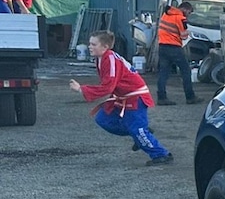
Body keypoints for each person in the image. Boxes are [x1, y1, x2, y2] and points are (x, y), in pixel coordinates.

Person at [69, 30, 172, 164]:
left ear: (105, 47)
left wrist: (81, 89)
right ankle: (139, 134)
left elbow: (107, 87)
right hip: (122, 96)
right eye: (90, 44)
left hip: (135, 96)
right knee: (103, 119)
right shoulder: (101, 58)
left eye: (94, 44)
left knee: (137, 129)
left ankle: (161, 154)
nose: (90, 47)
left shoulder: (110, 59)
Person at [154, 0, 197, 104]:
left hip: (162, 46)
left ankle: (161, 97)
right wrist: (186, 33)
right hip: (174, 47)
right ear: (185, 9)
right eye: (189, 12)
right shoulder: (180, 18)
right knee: (186, 71)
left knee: (163, 73)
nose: (189, 15)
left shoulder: (166, 15)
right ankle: (190, 97)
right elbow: (184, 36)